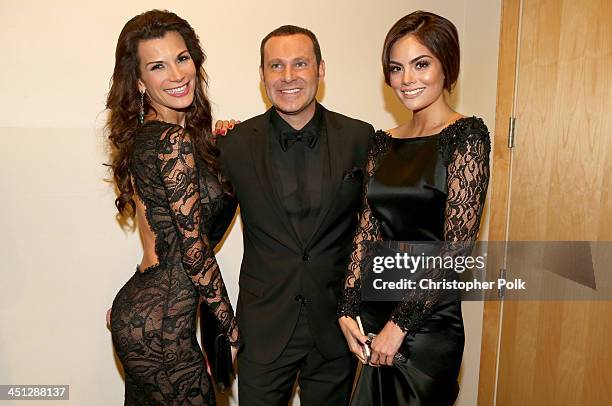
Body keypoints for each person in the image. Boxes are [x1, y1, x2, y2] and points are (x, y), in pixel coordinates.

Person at [215, 25, 374, 406]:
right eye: (276, 66)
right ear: (262, 75)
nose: (288, 77)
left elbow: (374, 230)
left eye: (300, 64)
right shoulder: (234, 144)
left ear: (320, 69)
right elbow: (201, 233)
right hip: (264, 327)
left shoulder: (361, 138)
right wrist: (151, 285)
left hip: (337, 327)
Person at [337, 11, 490, 405]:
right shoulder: (383, 140)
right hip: (375, 311)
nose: (407, 80)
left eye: (421, 64)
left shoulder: (466, 136)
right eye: (396, 68)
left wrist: (399, 325)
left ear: (447, 66)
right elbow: (367, 228)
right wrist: (348, 307)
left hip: (428, 322)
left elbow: (456, 249)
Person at [106, 10, 240, 405]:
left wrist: (222, 151)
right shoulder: (171, 141)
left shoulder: (150, 137)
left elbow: (161, 238)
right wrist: (229, 330)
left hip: (147, 313)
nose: (177, 75)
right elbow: (194, 250)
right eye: (157, 66)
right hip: (162, 328)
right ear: (139, 81)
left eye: (182, 58)